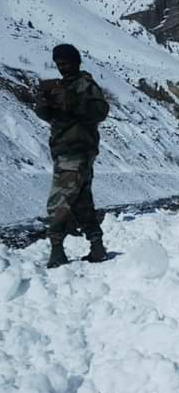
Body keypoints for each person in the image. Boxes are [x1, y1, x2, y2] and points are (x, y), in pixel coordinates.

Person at [35, 44, 110, 268]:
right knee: (81, 201)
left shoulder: (85, 85)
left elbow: (101, 111)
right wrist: (44, 105)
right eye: (58, 64)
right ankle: (97, 247)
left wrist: (73, 102)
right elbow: (52, 117)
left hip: (76, 150)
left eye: (65, 63)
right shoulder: (60, 87)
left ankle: (57, 250)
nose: (61, 68)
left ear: (76, 62)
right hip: (67, 149)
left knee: (59, 200)